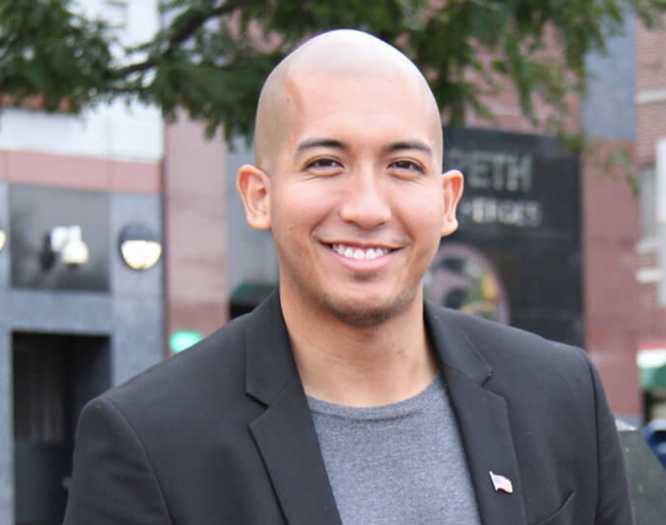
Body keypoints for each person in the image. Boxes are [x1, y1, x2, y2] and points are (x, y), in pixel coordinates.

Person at [63, 30, 633, 525]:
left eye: (403, 166)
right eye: (325, 163)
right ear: (259, 196)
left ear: (446, 200)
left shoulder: (561, 396)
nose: (366, 208)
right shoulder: (150, 439)